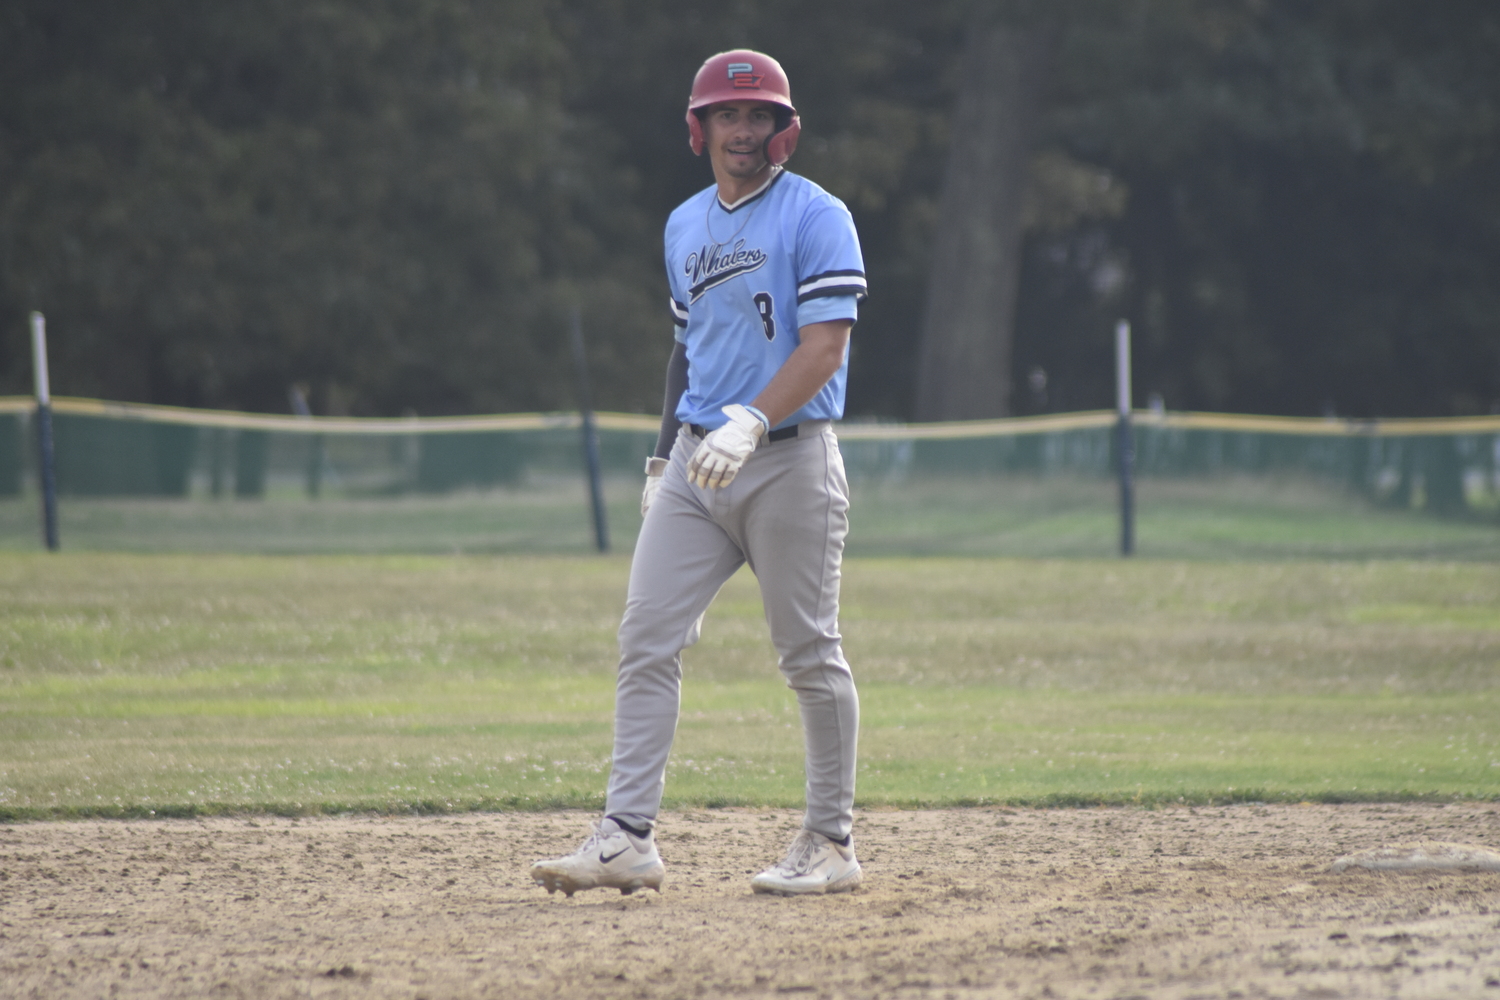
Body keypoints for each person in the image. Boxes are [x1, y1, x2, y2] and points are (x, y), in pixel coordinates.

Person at [530, 48, 867, 898]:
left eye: (759, 116)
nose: (744, 130)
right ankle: (626, 838)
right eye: (729, 114)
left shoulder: (817, 215)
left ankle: (830, 842)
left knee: (808, 654)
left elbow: (825, 347)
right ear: (701, 127)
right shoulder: (684, 224)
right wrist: (661, 455)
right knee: (646, 638)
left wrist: (753, 420)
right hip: (695, 464)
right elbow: (686, 348)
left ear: (783, 129)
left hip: (788, 460)